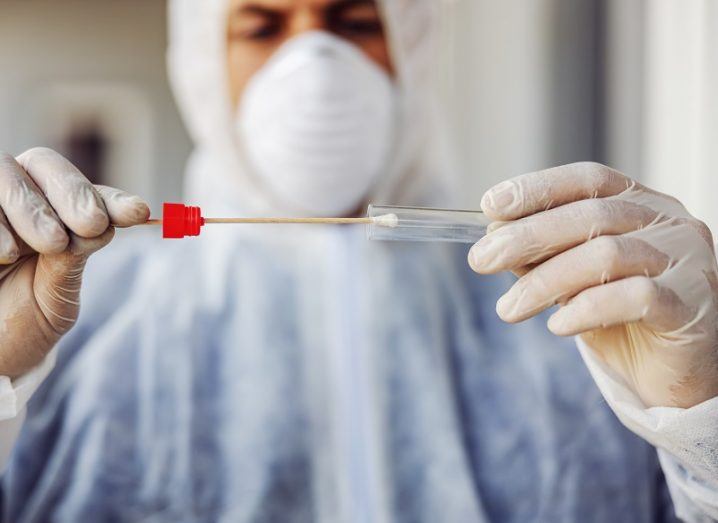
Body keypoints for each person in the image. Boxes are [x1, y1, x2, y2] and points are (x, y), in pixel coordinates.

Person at [0, 0, 716, 521]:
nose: (313, 62)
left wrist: (700, 412)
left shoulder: (569, 307)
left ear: (413, 45)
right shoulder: (78, 319)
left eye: (354, 22)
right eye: (262, 25)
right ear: (200, 61)